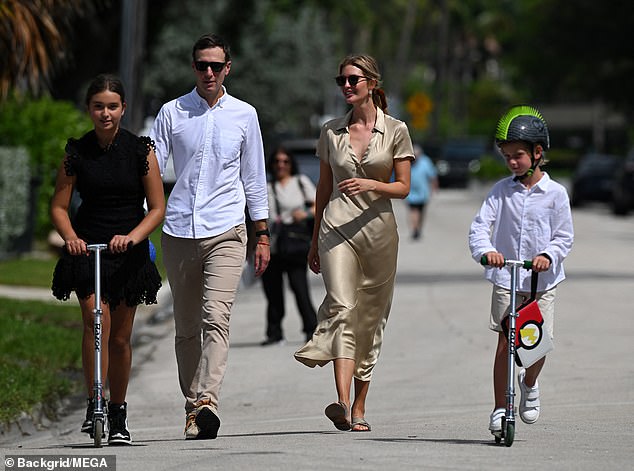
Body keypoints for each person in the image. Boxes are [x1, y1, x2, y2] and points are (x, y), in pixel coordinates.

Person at [150, 33, 270, 440]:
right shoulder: (172, 112)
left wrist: (263, 233)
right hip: (179, 229)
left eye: (215, 65)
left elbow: (254, 177)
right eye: (201, 65)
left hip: (227, 229)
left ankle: (207, 402)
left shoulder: (244, 115)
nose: (208, 72)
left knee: (215, 318)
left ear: (227, 68)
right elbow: (151, 169)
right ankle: (193, 406)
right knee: (186, 328)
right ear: (193, 67)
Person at [294, 54, 414, 432]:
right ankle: (343, 403)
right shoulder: (331, 131)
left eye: (353, 79)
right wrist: (314, 241)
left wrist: (372, 184)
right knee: (342, 306)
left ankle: (361, 405)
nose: (346, 85)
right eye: (341, 80)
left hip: (379, 235)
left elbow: (404, 186)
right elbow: (323, 189)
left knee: (370, 320)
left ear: (371, 84)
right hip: (337, 229)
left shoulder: (395, 129)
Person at [50, 74, 165, 445]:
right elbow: (59, 207)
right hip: (87, 247)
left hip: (126, 250)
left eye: (112, 106)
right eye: (98, 106)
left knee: (119, 337)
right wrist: (71, 239)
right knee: (94, 321)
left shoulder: (140, 151)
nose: (105, 113)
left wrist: (132, 237)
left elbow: (157, 208)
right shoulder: (76, 153)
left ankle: (117, 412)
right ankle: (93, 400)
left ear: (123, 109)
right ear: (89, 109)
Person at [468, 105, 573, 435]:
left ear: (537, 153)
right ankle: (500, 408)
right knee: (504, 344)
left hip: (541, 281)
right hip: (507, 279)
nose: (512, 162)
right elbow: (480, 227)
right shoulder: (501, 191)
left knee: (537, 344)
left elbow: (564, 235)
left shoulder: (555, 194)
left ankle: (529, 383)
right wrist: (486, 252)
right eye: (507, 156)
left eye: (518, 155)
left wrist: (549, 254)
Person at [261, 147, 318, 346]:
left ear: (291, 164)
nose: (281, 165)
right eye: (277, 161)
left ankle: (312, 329)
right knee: (273, 292)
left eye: (285, 161)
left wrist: (305, 213)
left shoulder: (300, 182)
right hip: (272, 245)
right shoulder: (266, 186)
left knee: (300, 288)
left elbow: (318, 204)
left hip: (294, 244)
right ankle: (274, 333)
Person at [406, 144, 438, 240]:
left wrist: (434, 187)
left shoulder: (425, 162)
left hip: (423, 192)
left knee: (421, 212)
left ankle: (418, 228)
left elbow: (432, 176)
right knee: (413, 211)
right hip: (411, 192)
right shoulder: (408, 162)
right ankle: (415, 229)